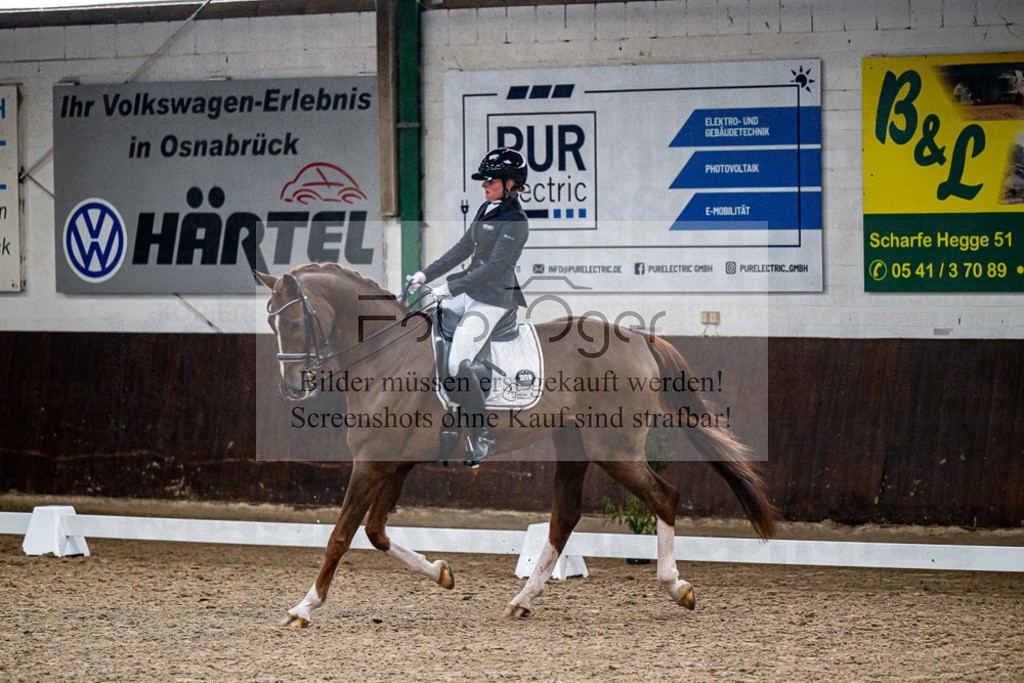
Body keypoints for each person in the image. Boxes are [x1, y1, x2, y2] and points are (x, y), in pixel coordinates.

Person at [408, 148, 529, 466]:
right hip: (471, 291)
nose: (484, 185)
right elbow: (463, 248)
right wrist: (426, 274)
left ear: (510, 183)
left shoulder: (516, 222)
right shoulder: (487, 208)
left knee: (457, 364)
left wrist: (450, 287)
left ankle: (482, 436)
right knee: (427, 325)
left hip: (492, 299)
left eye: (490, 180)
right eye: (484, 180)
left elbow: (492, 268)